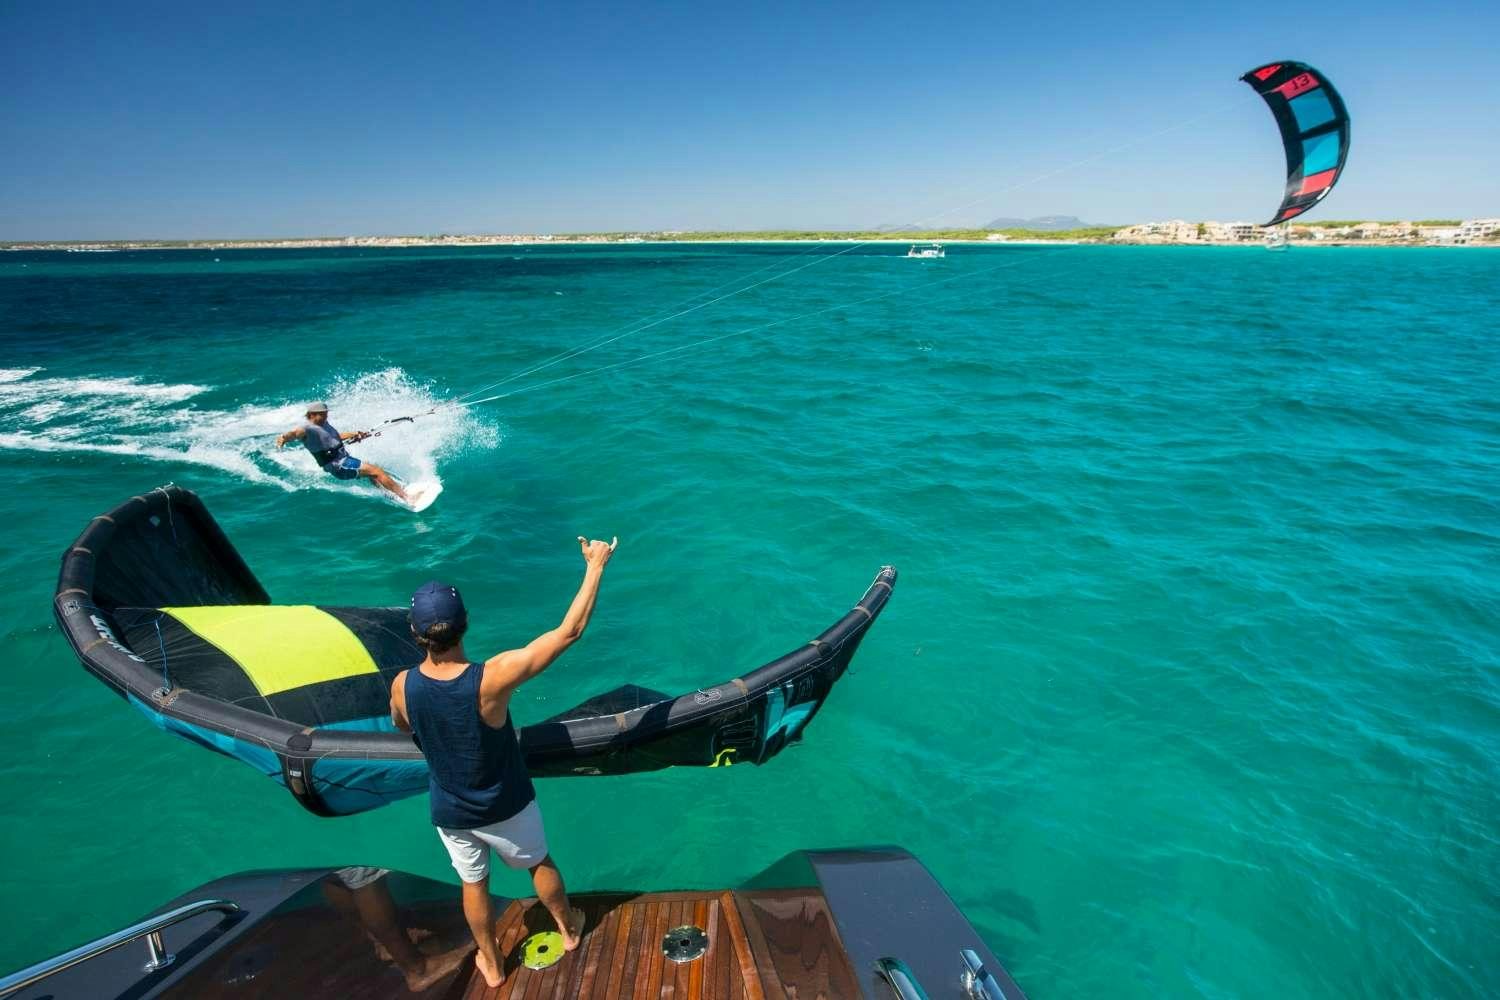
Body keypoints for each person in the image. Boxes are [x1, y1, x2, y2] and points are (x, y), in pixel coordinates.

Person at [389, 535, 617, 989]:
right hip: (505, 803)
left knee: (473, 885)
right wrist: (595, 566)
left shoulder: (402, 684)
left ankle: (491, 964)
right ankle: (569, 930)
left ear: (416, 635)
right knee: (539, 864)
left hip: (450, 812)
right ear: (466, 624)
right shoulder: (489, 680)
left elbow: (402, 726)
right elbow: (567, 633)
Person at [275, 401, 408, 502]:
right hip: (338, 465)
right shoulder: (306, 429)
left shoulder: (323, 424)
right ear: (311, 415)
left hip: (344, 459)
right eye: (323, 414)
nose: (326, 415)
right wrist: (283, 438)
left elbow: (335, 436)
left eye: (326, 413)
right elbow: (293, 433)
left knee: (371, 471)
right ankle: (406, 497)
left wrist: (356, 434)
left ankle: (387, 493)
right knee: (376, 471)